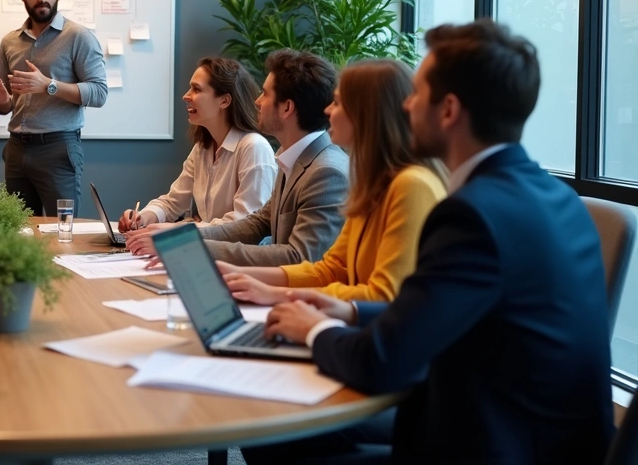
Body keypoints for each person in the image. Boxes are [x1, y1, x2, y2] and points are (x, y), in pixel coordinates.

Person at [254, 20, 614, 464]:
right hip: (542, 438)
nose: (406, 105)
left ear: (448, 111)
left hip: (485, 444)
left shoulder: (471, 215)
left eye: (417, 93)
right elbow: (440, 312)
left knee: (276, 433)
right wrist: (350, 311)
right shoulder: (558, 197)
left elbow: (381, 361)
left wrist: (312, 328)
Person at [218, 59, 446, 305]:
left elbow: (384, 295)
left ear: (364, 114)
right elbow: (332, 268)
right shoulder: (373, 183)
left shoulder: (411, 185)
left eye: (337, 102)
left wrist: (276, 293)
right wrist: (239, 274)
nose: (327, 111)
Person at [129, 49, 348, 267]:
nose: (257, 102)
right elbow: (257, 223)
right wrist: (180, 239)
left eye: (265, 94)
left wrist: (184, 243)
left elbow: (299, 257)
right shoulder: (291, 158)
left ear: (287, 108)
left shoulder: (326, 172)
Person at [0, 0, 108, 216]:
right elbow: (8, 104)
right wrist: (0, 99)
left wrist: (49, 85)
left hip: (58, 147)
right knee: (19, 229)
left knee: (63, 229)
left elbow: (99, 93)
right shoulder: (9, 42)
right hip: (16, 148)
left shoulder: (78, 37)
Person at [118, 56, 276, 231]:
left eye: (196, 89)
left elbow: (244, 224)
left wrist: (178, 231)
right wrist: (143, 217)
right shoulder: (202, 149)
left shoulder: (254, 148)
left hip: (234, 248)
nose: (186, 96)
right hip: (208, 245)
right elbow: (172, 203)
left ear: (224, 101)